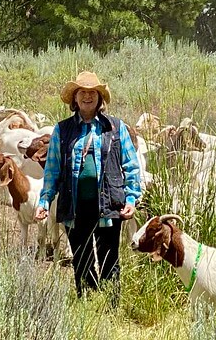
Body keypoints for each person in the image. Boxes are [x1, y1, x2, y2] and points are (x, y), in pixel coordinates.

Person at [34, 71, 141, 302]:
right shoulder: (61, 130)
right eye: (82, 92)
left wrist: (131, 198)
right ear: (75, 99)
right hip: (74, 206)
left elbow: (131, 166)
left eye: (92, 93)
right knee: (81, 259)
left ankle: (112, 308)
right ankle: (89, 303)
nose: (87, 97)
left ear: (99, 98)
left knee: (109, 259)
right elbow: (52, 169)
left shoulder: (115, 128)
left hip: (109, 205)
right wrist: (44, 200)